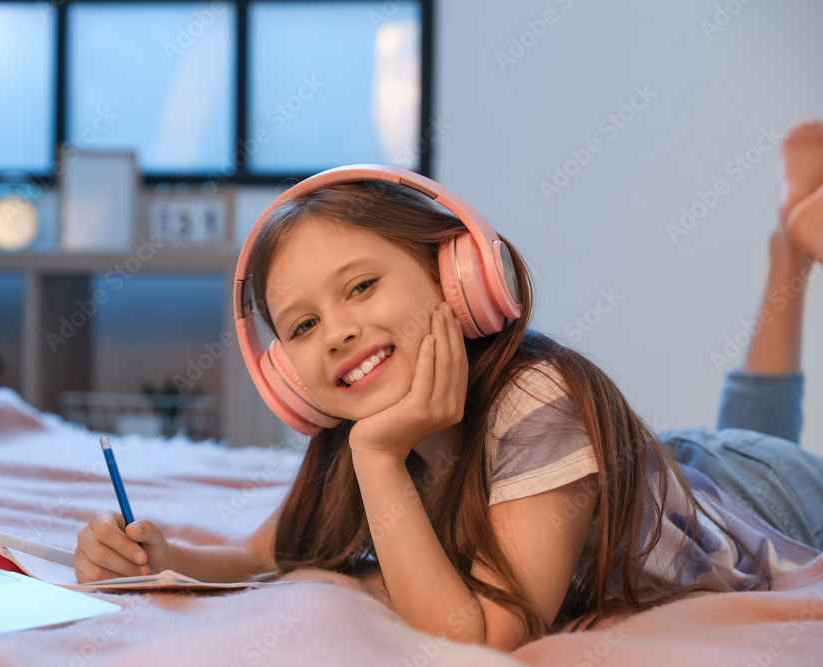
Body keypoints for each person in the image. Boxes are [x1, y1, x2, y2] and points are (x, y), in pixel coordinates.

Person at [74, 122, 823, 653]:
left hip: (762, 492)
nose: (335, 331)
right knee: (727, 438)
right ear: (283, 373)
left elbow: (480, 635)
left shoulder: (537, 400)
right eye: (300, 327)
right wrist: (159, 559)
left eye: (362, 286)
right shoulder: (349, 437)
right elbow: (266, 555)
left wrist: (378, 457)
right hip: (662, 473)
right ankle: (787, 252)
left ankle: (794, 252)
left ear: (460, 277)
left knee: (762, 446)